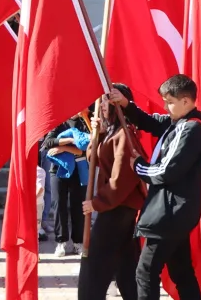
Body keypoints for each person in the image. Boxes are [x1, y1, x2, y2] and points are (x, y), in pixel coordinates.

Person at [108, 75, 201, 300]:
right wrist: (125, 104)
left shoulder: (189, 128)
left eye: (169, 101)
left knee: (145, 272)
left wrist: (139, 167)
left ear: (186, 102)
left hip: (170, 212)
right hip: (175, 211)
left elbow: (165, 170)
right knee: (181, 272)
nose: (165, 106)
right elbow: (150, 122)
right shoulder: (180, 123)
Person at [78, 83, 143, 300]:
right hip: (117, 207)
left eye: (107, 100)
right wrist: (97, 135)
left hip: (118, 208)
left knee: (94, 265)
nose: (102, 106)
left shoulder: (125, 133)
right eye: (102, 101)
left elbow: (121, 180)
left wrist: (97, 202)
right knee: (126, 267)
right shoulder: (113, 131)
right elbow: (93, 159)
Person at [42, 112, 91, 256]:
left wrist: (63, 147)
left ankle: (78, 242)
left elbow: (86, 148)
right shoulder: (60, 121)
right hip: (58, 169)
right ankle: (61, 241)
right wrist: (71, 139)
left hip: (80, 170)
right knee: (59, 205)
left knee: (78, 206)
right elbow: (48, 143)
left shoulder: (85, 123)